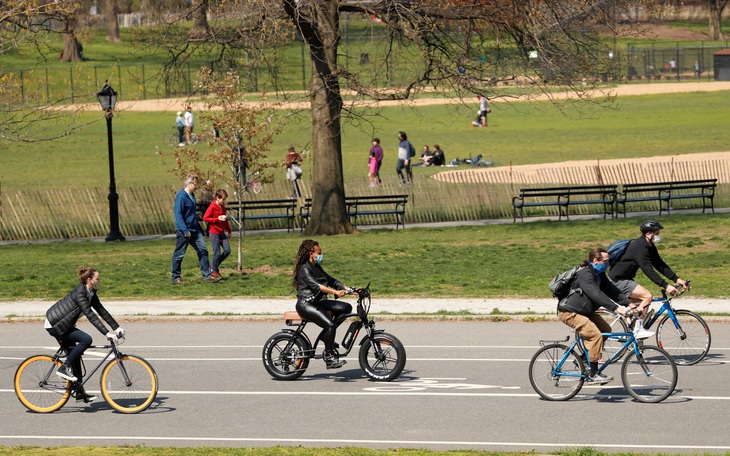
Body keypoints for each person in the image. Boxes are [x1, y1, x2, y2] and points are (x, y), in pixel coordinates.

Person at [45, 267, 125, 403]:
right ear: (89, 280)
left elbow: (101, 310)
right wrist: (107, 333)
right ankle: (64, 367)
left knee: (76, 357)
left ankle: (79, 392)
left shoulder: (91, 292)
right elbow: (90, 315)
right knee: (86, 340)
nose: (99, 281)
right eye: (97, 278)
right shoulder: (80, 293)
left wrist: (116, 327)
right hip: (56, 325)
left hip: (65, 325)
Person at [557, 248, 633, 385]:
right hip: (569, 312)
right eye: (605, 261)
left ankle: (584, 359)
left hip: (584, 311)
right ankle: (593, 374)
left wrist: (629, 303)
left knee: (606, 330)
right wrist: (616, 308)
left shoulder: (599, 273)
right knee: (595, 335)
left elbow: (611, 290)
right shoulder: (586, 274)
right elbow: (595, 294)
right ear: (595, 261)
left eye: (608, 261)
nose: (608, 263)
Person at [608, 220, 687, 337]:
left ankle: (632, 333)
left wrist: (676, 279)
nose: (659, 235)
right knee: (647, 296)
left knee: (641, 306)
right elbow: (648, 269)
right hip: (617, 281)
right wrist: (666, 285)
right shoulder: (640, 247)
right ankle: (637, 330)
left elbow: (659, 264)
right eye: (657, 233)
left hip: (625, 279)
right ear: (648, 234)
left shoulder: (649, 246)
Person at [292, 239, 355, 369]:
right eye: (319, 253)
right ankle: (329, 357)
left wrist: (350, 290)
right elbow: (318, 287)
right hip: (306, 304)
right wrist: (335, 292)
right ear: (311, 253)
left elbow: (331, 280)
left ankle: (325, 337)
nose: (321, 255)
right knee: (330, 325)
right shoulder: (304, 269)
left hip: (318, 302)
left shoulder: (317, 267)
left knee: (346, 308)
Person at [171, 173, 219, 284]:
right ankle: (175, 277)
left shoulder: (191, 196)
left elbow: (191, 214)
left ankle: (207, 276)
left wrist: (199, 229)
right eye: (195, 184)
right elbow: (178, 215)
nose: (197, 187)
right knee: (179, 254)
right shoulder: (181, 196)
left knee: (203, 250)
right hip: (184, 231)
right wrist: (185, 230)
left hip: (195, 230)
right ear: (189, 183)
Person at [203, 189, 232, 279]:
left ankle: (214, 266)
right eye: (223, 199)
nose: (224, 201)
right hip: (214, 233)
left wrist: (229, 230)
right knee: (217, 253)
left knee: (227, 250)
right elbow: (205, 218)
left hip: (222, 233)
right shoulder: (212, 207)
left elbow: (225, 220)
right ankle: (214, 271)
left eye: (225, 199)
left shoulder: (223, 207)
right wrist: (217, 219)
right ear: (217, 198)